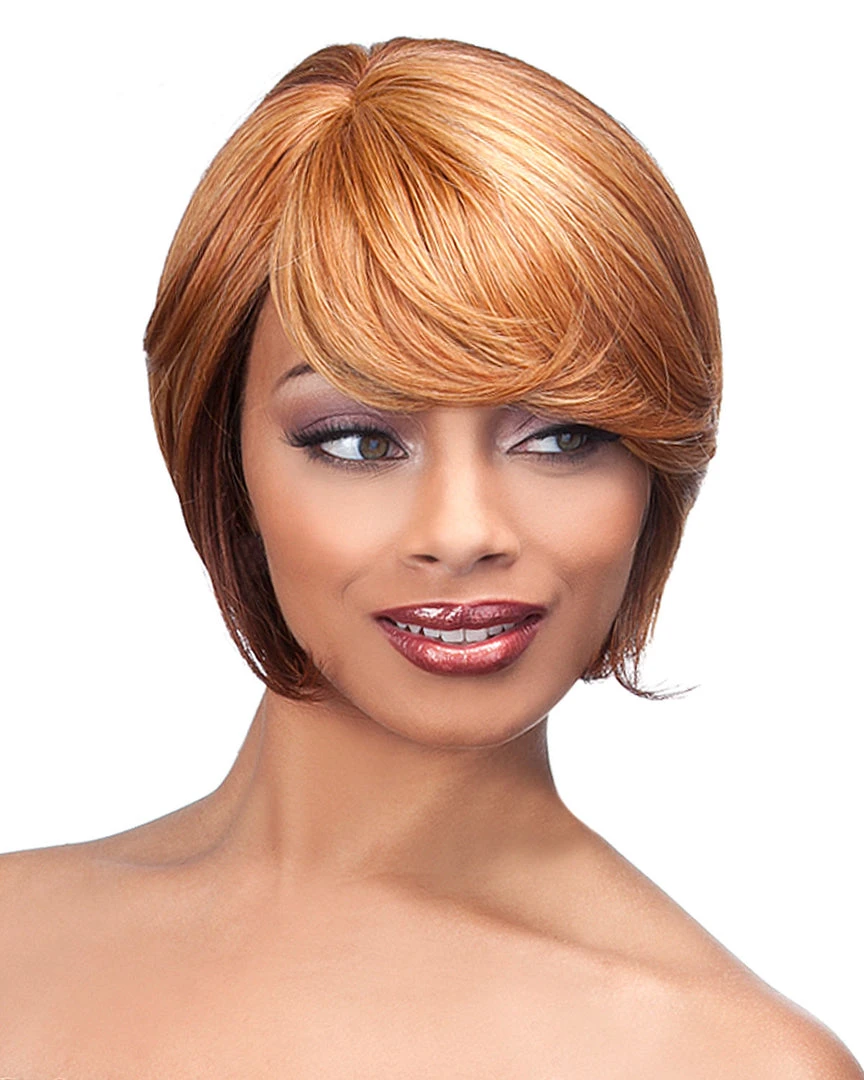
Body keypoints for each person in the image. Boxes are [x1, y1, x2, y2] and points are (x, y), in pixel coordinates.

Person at [0, 36, 860, 1076]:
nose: (462, 532)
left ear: (655, 471)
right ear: (225, 459)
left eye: (561, 437)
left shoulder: (733, 1062)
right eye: (359, 442)